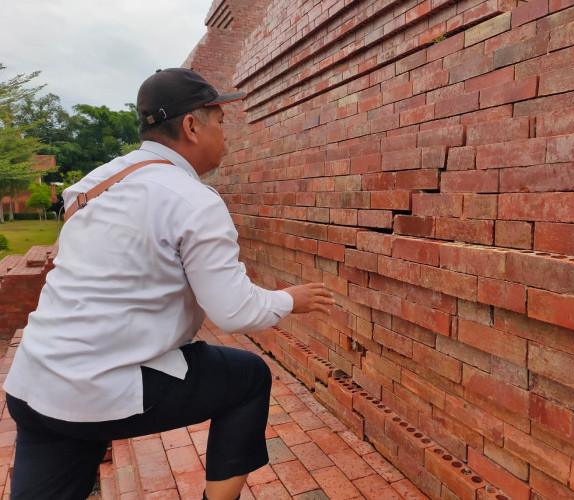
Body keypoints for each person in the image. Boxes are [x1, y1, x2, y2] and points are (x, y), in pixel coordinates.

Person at [3, 68, 335, 500]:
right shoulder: (193, 200)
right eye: (220, 122)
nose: (226, 136)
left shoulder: (95, 184)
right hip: (100, 387)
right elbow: (234, 312)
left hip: (34, 380)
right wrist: (290, 299)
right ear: (192, 126)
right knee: (248, 377)